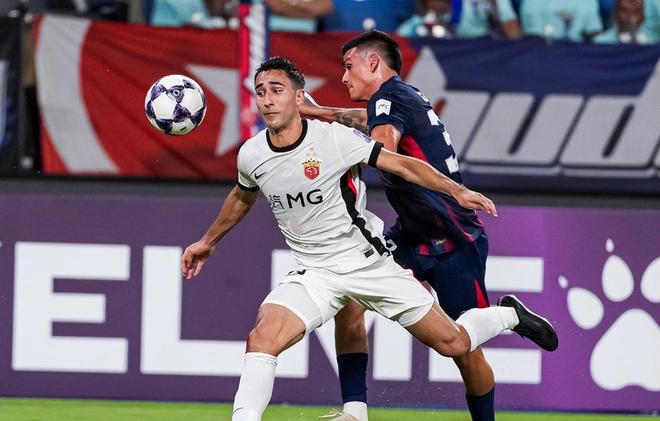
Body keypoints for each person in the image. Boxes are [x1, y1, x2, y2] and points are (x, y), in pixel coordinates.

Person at [181, 57, 558, 421]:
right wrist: (207, 242)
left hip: (367, 263)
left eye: (276, 90)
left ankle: (509, 315)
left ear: (298, 97)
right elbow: (242, 197)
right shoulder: (252, 154)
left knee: (454, 344)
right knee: (263, 338)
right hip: (314, 272)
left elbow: (403, 164)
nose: (267, 100)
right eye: (260, 91)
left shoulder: (334, 139)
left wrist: (456, 190)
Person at [298, 30, 524, 421]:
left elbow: (381, 148)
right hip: (409, 235)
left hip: (453, 240)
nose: (344, 77)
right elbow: (368, 123)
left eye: (349, 66)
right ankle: (355, 412)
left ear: (373, 62)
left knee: (464, 351)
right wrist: (318, 113)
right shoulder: (400, 97)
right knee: (350, 301)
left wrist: (328, 151)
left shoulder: (389, 98)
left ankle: (513, 317)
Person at [396, 0, 521, 40]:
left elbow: (509, 23)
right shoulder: (428, 16)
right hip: (456, 57)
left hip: (489, 49)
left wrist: (520, 51)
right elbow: (401, 36)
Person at [519, 0, 603, 42]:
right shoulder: (532, 2)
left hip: (577, 52)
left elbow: (593, 32)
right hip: (544, 52)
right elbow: (532, 36)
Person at [594, 0, 660, 44]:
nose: (632, 18)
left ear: (643, 15)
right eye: (625, 11)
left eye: (636, 12)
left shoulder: (654, 43)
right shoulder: (601, 43)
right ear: (616, 14)